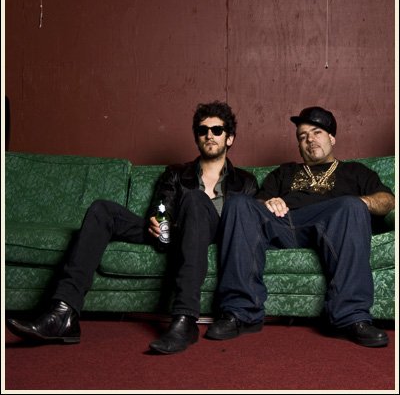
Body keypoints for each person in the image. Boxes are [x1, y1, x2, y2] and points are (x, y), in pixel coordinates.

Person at [6, 100, 258, 354]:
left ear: (229, 138)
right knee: (102, 209)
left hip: (210, 235)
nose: (209, 135)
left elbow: (245, 226)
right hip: (173, 232)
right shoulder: (176, 173)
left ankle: (185, 320)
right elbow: (162, 204)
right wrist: (159, 219)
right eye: (203, 130)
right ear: (197, 137)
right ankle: (63, 313)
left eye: (217, 130)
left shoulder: (245, 182)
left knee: (195, 199)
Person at [205, 106, 395, 348]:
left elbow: (388, 201)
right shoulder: (285, 172)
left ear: (332, 139)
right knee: (239, 203)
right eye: (303, 136)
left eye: (317, 132)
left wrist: (362, 202)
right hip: (284, 222)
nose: (309, 139)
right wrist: (269, 202)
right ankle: (238, 313)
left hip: (334, 223)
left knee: (351, 205)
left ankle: (351, 317)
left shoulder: (355, 171)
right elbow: (257, 206)